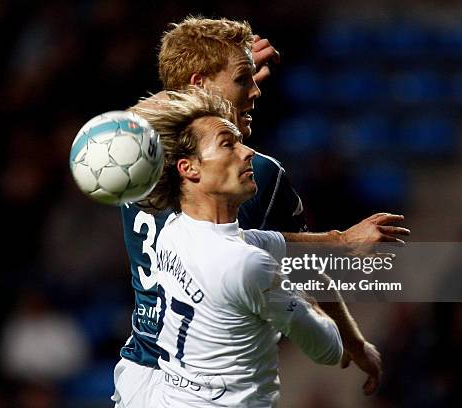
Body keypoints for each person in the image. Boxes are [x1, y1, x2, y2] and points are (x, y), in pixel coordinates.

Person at [113, 17, 408, 407]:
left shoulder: (133, 158)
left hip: (140, 374)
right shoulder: (256, 175)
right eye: (243, 80)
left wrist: (213, 85)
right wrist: (353, 344)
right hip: (210, 382)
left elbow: (127, 122)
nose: (255, 91)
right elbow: (301, 271)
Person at [138, 87, 343, 407]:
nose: (247, 152)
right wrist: (303, 293)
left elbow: (251, 240)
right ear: (189, 167)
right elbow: (329, 349)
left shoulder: (173, 231)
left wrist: (337, 240)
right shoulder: (248, 266)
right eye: (227, 144)